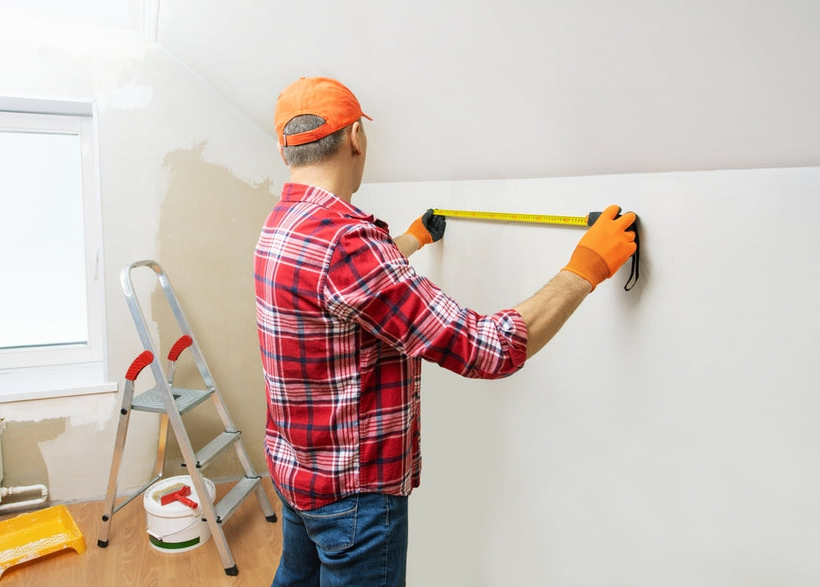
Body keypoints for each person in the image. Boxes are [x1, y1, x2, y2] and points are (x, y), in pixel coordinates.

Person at [254, 76, 637, 586]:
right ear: (355, 139)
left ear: (286, 150)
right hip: (352, 497)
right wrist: (586, 267)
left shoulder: (284, 223)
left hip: (296, 471)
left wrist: (407, 241)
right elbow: (489, 350)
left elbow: (345, 293)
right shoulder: (350, 245)